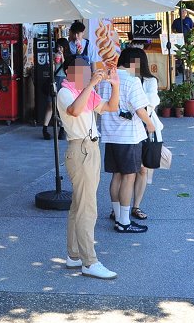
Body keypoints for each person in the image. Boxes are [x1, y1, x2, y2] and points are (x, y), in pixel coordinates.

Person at [57, 56, 119, 280]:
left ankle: (74, 255)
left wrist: (115, 85)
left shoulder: (85, 92)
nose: (85, 73)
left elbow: (111, 107)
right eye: (80, 69)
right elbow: (74, 111)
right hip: (80, 148)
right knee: (87, 207)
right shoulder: (65, 91)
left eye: (87, 69)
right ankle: (89, 261)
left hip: (90, 148)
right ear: (68, 71)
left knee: (79, 204)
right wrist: (92, 83)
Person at [94, 52, 157, 233]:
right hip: (129, 137)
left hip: (110, 135)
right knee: (129, 177)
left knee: (116, 176)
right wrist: (150, 125)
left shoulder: (106, 78)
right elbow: (140, 109)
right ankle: (123, 222)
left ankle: (117, 214)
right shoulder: (132, 81)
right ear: (135, 63)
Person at [118, 47, 163, 220]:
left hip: (146, 128)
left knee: (143, 169)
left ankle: (136, 206)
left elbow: (150, 102)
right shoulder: (122, 78)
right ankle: (121, 208)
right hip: (127, 130)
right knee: (125, 172)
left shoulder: (149, 81)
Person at [43, 38, 73, 140]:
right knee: (50, 104)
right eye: (58, 46)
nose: (59, 49)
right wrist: (53, 62)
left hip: (64, 81)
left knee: (63, 105)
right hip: (55, 80)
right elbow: (53, 70)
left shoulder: (69, 56)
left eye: (61, 47)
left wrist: (63, 57)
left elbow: (66, 69)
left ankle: (62, 129)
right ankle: (45, 129)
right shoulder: (54, 55)